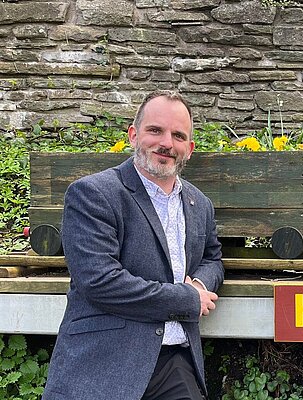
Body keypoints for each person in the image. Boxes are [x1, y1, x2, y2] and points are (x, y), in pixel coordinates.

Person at [43, 91, 224, 400]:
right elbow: (99, 282)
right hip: (103, 362)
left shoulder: (199, 203)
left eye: (178, 135)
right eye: (155, 130)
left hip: (174, 363)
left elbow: (212, 258)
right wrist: (186, 299)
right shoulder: (93, 194)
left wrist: (198, 283)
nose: (166, 142)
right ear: (133, 134)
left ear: (189, 149)